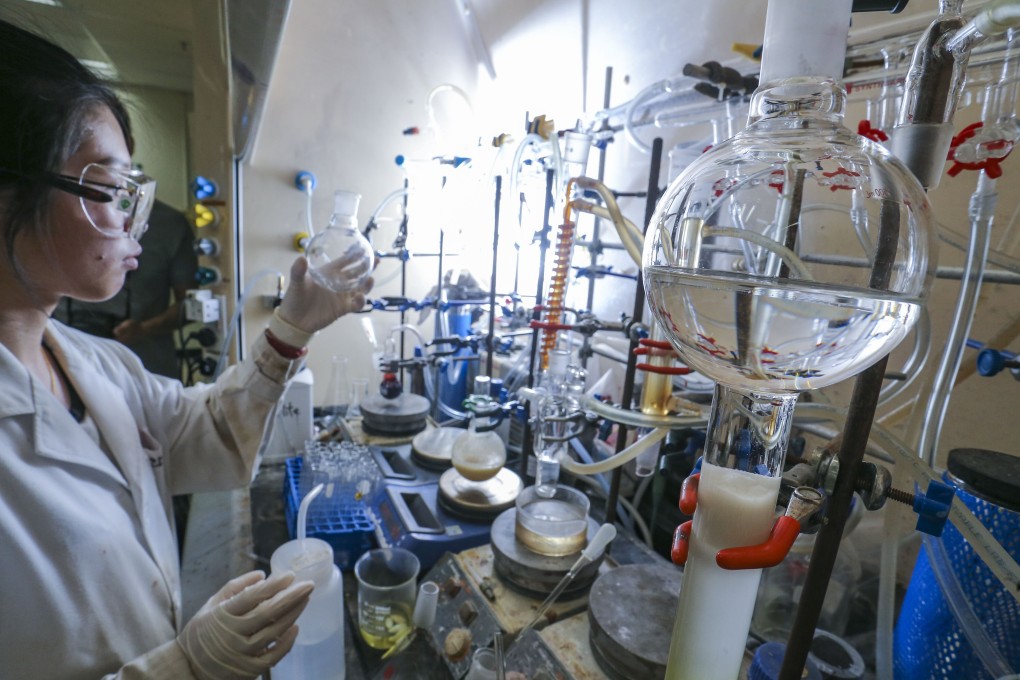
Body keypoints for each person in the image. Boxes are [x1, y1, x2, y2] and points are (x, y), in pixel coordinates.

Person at [0, 19, 373, 680]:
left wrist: (293, 326)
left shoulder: (93, 362)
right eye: (110, 189)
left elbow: (207, 430)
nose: (135, 219)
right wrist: (184, 666)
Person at [53, 198, 199, 379]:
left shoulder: (170, 223)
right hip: (67, 362)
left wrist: (144, 329)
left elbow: (192, 305)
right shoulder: (57, 211)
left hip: (145, 366)